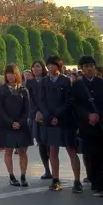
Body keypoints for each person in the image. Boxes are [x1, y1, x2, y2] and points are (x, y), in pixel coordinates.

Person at [71, 54, 103, 198]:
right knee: (92, 156)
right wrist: (88, 116)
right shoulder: (77, 85)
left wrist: (99, 115)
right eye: (86, 66)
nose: (89, 69)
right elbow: (75, 104)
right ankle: (96, 185)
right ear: (82, 69)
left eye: (91, 66)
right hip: (87, 126)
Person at [36, 55, 82, 193]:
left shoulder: (66, 80)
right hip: (49, 120)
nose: (51, 67)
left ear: (59, 66)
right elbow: (41, 101)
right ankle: (55, 180)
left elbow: (69, 101)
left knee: (71, 151)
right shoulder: (43, 81)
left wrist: (57, 115)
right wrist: (49, 116)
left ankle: (77, 181)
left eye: (54, 65)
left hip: (65, 120)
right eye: (49, 65)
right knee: (53, 151)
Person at [0, 65, 31, 187]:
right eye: (7, 73)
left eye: (12, 73)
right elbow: (0, 109)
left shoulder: (23, 90)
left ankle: (23, 176)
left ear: (17, 74)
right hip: (6, 124)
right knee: (8, 150)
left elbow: (27, 110)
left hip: (22, 124)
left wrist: (20, 122)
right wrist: (11, 122)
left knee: (22, 151)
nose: (9, 76)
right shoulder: (1, 89)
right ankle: (11, 176)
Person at [26, 60, 52, 180]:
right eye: (33, 67)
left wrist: (44, 112)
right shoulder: (29, 82)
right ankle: (47, 169)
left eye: (38, 66)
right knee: (41, 143)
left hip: (48, 114)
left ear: (42, 68)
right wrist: (36, 112)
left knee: (50, 143)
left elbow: (49, 98)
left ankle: (54, 167)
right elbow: (29, 99)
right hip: (35, 116)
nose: (35, 69)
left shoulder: (47, 80)